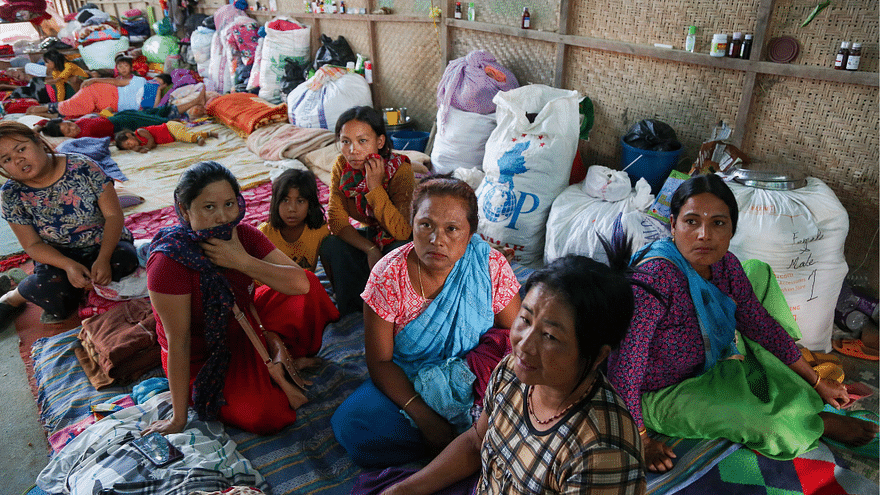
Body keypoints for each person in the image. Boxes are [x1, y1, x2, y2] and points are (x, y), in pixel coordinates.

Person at [606, 174, 879, 473]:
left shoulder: (726, 266)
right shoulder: (655, 280)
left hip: (711, 361)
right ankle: (815, 422)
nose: (704, 235)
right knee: (775, 427)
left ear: (732, 230)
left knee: (757, 276)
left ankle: (803, 390)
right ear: (673, 225)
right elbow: (625, 370)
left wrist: (815, 381)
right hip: (660, 392)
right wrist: (641, 440)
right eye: (692, 222)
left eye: (718, 223)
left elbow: (760, 325)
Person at [375, 254, 646, 495]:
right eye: (525, 320)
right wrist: (406, 489)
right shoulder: (511, 372)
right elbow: (476, 442)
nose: (523, 345)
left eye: (550, 336)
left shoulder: (602, 454)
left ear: (598, 355)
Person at [332, 177, 522, 468]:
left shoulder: (489, 266)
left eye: (452, 229)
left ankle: (463, 441)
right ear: (412, 225)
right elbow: (380, 363)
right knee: (356, 428)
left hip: (474, 378)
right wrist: (425, 417)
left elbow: (514, 341)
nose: (437, 239)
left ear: (470, 233)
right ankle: (464, 445)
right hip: (412, 381)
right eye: (426, 225)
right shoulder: (387, 275)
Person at [142, 161, 339, 436]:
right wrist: (178, 418)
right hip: (203, 357)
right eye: (209, 207)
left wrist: (242, 261)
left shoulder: (243, 235)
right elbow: (179, 342)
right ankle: (272, 359)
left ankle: (278, 353)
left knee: (311, 287)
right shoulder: (169, 262)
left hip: (245, 323)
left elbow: (301, 284)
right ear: (185, 211)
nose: (223, 217)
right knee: (267, 414)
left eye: (229, 204)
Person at [0, 121, 138, 326]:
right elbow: (32, 245)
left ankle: (82, 285)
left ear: (38, 141)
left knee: (124, 262)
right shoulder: (11, 194)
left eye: (21, 149)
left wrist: (103, 257)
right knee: (54, 295)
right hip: (58, 256)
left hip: (103, 244)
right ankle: (13, 296)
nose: (18, 160)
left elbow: (113, 216)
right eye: (7, 159)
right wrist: (69, 265)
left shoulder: (82, 167)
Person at [319, 106, 415, 316]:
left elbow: (401, 231)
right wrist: (369, 249)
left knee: (399, 252)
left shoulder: (400, 169)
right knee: (331, 245)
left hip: (397, 238)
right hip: (372, 238)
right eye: (345, 141)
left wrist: (375, 187)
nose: (353, 150)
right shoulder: (342, 168)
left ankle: (391, 313)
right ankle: (354, 313)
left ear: (379, 142)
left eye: (362, 141)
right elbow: (336, 221)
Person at [258, 168, 329, 271]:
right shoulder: (263, 234)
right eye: (285, 200)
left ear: (310, 204)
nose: (292, 209)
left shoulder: (320, 232)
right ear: (276, 203)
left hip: (303, 285)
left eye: (300, 201)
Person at [113, 121, 218, 151]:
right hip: (172, 136)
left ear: (128, 135)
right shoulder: (142, 143)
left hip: (170, 127)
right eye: (128, 148)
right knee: (185, 136)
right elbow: (153, 145)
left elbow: (151, 139)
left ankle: (198, 139)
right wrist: (139, 149)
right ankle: (208, 134)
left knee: (183, 135)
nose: (130, 146)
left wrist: (146, 149)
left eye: (128, 143)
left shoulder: (139, 132)